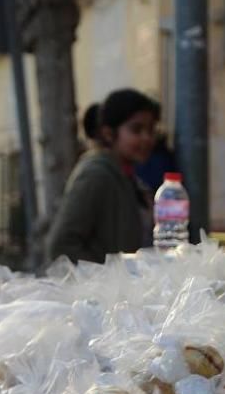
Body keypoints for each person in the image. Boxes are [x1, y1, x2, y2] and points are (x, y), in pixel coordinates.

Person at [47, 88, 160, 264]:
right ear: (109, 133)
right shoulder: (96, 175)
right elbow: (62, 245)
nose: (146, 138)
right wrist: (106, 277)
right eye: (136, 130)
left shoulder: (129, 178)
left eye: (151, 130)